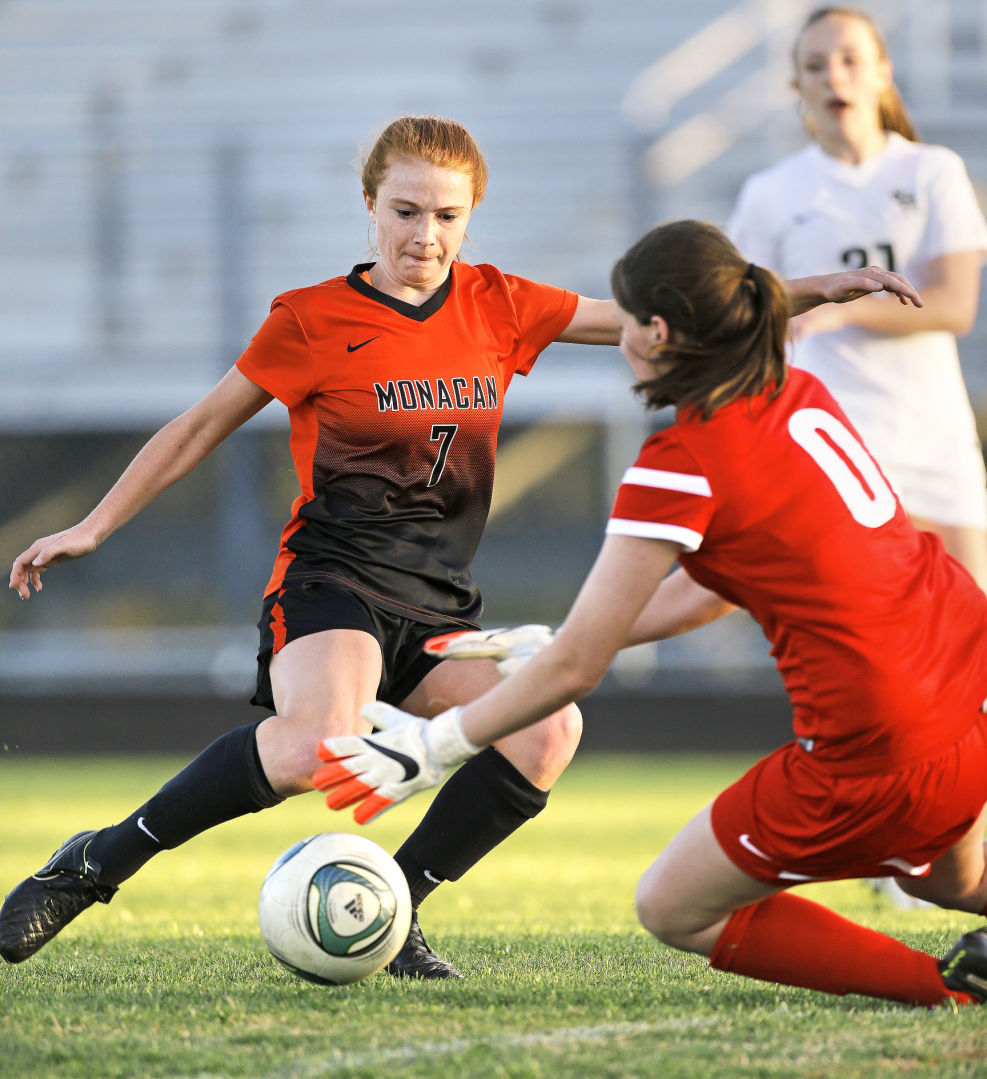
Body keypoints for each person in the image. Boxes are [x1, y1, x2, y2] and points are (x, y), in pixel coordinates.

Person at [1, 116, 918, 978]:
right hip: (336, 584)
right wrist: (93, 524)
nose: (425, 235)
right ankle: (92, 863)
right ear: (370, 205)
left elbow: (655, 319)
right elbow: (200, 426)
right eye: (405, 211)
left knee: (549, 727)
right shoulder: (310, 318)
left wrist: (809, 289)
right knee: (320, 745)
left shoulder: (501, 303)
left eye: (447, 215)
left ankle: (398, 906)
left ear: (470, 215)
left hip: (441, 601)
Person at [314, 219, 987, 1007]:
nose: (619, 333)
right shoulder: (796, 391)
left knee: (671, 904)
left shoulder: (681, 462)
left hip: (881, 743)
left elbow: (578, 668)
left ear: (658, 332)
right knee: (958, 878)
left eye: (627, 318)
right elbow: (712, 589)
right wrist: (568, 636)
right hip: (967, 688)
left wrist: (437, 741)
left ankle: (946, 990)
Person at [728, 6, 987, 591]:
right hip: (830, 439)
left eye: (850, 60)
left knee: (972, 624)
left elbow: (955, 304)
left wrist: (838, 307)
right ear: (797, 86)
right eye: (816, 66)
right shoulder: (770, 193)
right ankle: (570, 651)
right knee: (857, 626)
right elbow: (745, 311)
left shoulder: (932, 172)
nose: (834, 77)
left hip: (932, 437)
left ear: (882, 72)